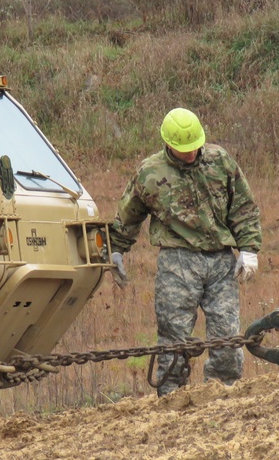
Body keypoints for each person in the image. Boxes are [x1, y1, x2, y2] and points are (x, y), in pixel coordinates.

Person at [109, 107, 262, 396]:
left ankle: (223, 394)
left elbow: (243, 207)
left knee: (227, 337)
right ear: (168, 144)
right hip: (177, 262)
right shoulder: (150, 173)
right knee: (173, 339)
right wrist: (116, 250)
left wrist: (249, 248)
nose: (191, 154)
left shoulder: (220, 162)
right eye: (183, 150)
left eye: (194, 148)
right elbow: (128, 215)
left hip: (220, 261)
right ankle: (172, 400)